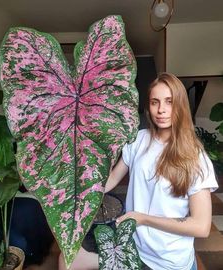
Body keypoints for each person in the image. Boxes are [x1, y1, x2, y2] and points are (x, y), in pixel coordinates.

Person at [59, 72, 218, 270]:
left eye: (169, 102)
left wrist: (142, 218)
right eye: (155, 102)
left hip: (168, 262)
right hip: (133, 247)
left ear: (181, 106)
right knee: (67, 261)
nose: (161, 110)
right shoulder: (139, 139)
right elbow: (110, 181)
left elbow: (201, 227)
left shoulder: (195, 158)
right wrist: (74, 179)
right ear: (148, 107)